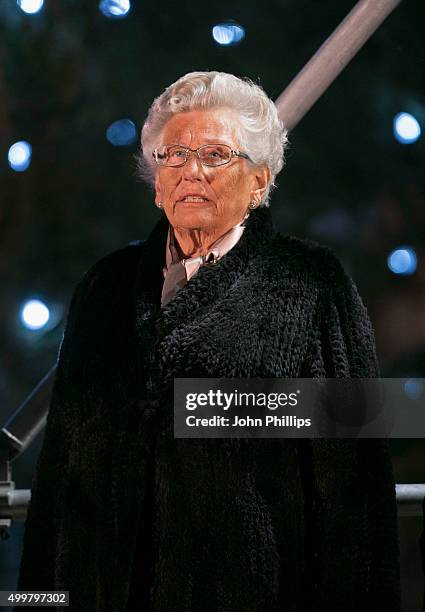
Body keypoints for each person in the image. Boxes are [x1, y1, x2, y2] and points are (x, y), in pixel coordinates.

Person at [17, 71, 400, 611]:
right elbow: (58, 475)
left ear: (260, 183)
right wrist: (37, 603)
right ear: (155, 183)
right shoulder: (104, 287)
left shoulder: (313, 283)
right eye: (173, 155)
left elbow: (356, 486)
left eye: (216, 155)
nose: (190, 171)